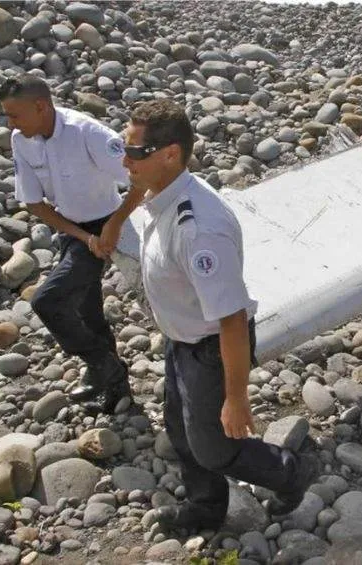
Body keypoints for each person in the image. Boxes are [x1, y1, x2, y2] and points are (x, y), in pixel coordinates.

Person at [113, 99, 319, 532]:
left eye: (133, 152)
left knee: (215, 449)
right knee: (180, 429)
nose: (124, 160)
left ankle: (291, 473)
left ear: (169, 154)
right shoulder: (162, 189)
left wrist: (237, 397)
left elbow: (230, 320)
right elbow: (139, 186)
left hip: (209, 347)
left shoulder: (199, 229)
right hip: (181, 338)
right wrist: (117, 220)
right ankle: (206, 509)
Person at [0, 74, 140, 413]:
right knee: (86, 311)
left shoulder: (85, 132)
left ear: (40, 106)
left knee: (47, 301)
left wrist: (113, 226)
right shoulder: (22, 139)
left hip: (109, 221)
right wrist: (82, 237)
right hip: (74, 230)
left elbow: (140, 178)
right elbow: (34, 203)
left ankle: (103, 365)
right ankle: (117, 389)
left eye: (15, 115)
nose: (10, 123)